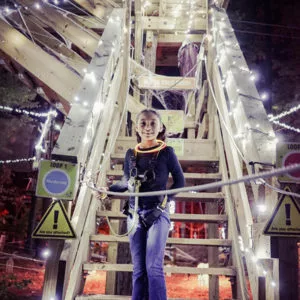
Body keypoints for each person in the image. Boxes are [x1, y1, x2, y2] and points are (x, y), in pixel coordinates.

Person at [100, 109, 185, 300]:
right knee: (138, 269)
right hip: (134, 215)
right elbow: (125, 182)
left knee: (153, 267)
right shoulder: (131, 155)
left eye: (153, 123)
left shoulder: (167, 153)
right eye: (143, 123)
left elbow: (180, 181)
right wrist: (108, 190)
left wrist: (165, 202)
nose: (148, 128)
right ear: (137, 128)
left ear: (160, 127)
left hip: (157, 214)